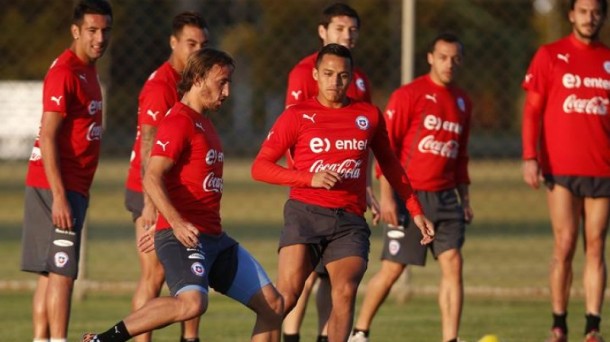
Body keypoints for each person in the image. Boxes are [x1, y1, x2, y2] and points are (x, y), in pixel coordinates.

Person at [82, 48, 283, 342]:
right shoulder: (179, 121)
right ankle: (105, 339)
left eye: (229, 83)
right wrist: (173, 224)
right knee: (193, 304)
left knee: (273, 306)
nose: (227, 91)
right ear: (199, 78)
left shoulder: (205, 123)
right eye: (222, 82)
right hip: (185, 237)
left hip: (214, 238)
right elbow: (151, 175)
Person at [251, 43, 434, 342]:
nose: (335, 82)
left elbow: (391, 165)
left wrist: (415, 210)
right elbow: (259, 167)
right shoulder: (297, 115)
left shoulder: (368, 115)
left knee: (345, 293)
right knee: (287, 295)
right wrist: (309, 178)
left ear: (352, 77)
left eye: (343, 75)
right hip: (304, 214)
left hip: (348, 221)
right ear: (315, 75)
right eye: (328, 74)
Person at [349, 33, 472, 342]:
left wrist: (465, 198)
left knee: (453, 264)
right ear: (430, 57)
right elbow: (386, 150)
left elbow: (460, 155)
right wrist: (388, 196)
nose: (449, 64)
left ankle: (450, 338)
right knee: (393, 270)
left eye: (455, 59)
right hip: (410, 198)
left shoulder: (462, 101)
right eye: (443, 57)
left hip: (446, 198)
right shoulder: (409, 95)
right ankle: (360, 331)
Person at [283, 4, 378, 341]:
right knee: (305, 274)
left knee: (335, 277)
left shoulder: (359, 78)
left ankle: (325, 335)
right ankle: (291, 334)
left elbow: (362, 141)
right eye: (339, 29)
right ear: (323, 32)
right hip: (311, 192)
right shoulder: (304, 72)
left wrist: (366, 189)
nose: (346, 35)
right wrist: (307, 181)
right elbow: (293, 134)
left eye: (352, 30)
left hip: (346, 196)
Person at [19, 1, 112, 341]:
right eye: (92, 30)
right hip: (56, 186)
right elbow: (47, 135)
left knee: (49, 272)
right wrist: (59, 196)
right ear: (76, 31)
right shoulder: (66, 72)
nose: (100, 38)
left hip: (69, 187)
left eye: (105, 30)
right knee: (62, 271)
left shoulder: (88, 70)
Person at [521, 0, 610, 341]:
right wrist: (531, 156)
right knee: (565, 243)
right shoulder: (550, 55)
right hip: (561, 167)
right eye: (583, 11)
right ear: (572, 15)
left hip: (601, 168)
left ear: (602, 16)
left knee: (596, 245)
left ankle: (593, 326)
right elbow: (532, 112)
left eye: (596, 12)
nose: (590, 18)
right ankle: (558, 324)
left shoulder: (606, 59)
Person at [124, 11, 208, 342]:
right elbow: (148, 144)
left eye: (203, 44)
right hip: (150, 191)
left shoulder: (194, 82)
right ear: (173, 43)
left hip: (181, 191)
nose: (198, 50)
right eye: (191, 43)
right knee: (154, 274)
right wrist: (150, 205)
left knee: (190, 270)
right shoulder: (162, 86)